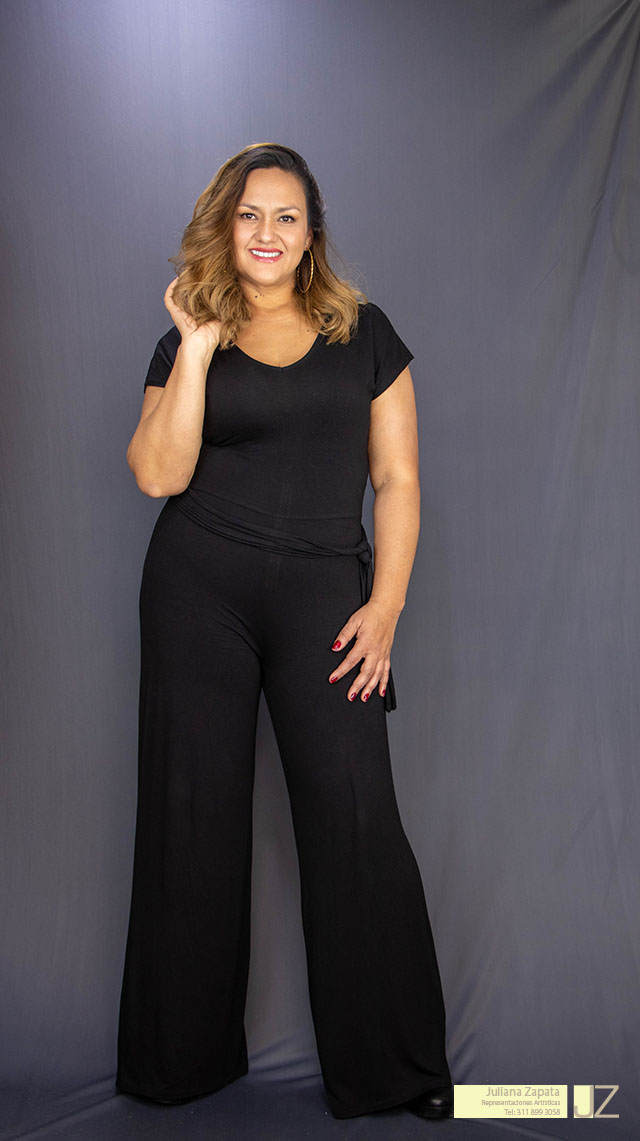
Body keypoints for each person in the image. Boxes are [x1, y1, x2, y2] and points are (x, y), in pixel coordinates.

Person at [115, 142, 453, 1122]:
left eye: (286, 216)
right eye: (249, 214)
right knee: (190, 818)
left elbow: (397, 479)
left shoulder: (365, 333)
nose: (267, 232)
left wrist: (385, 606)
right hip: (197, 594)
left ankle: (395, 1071)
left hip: (326, 602)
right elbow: (157, 474)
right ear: (226, 227)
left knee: (355, 815)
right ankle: (180, 1063)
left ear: (311, 234)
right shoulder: (186, 337)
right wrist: (196, 346)